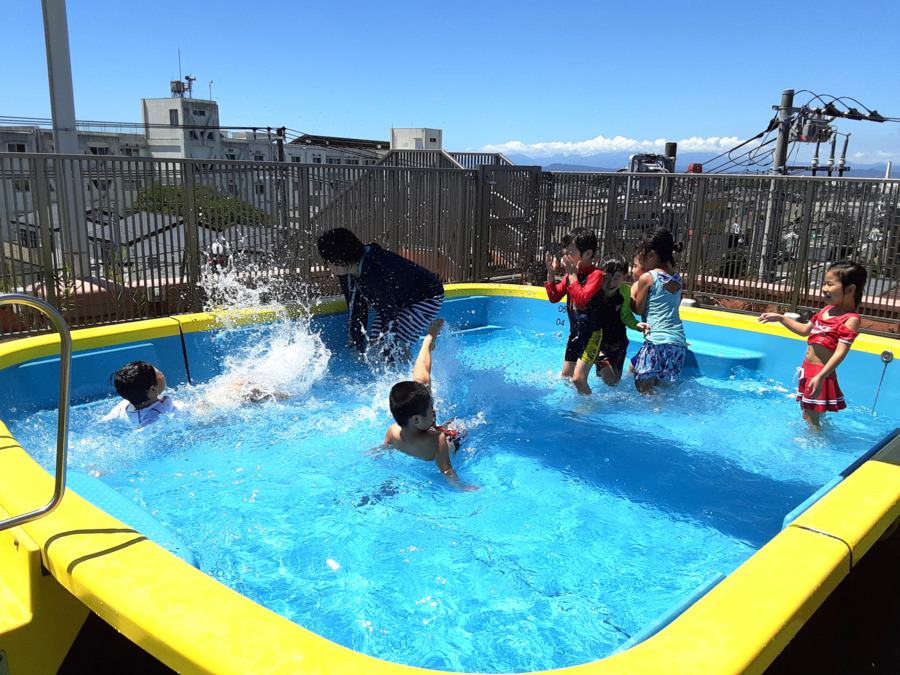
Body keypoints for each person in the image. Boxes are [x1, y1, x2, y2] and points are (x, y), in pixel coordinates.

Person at [758, 261, 867, 427]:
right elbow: (804, 330)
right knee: (807, 412)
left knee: (810, 418)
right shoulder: (826, 311)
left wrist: (821, 376)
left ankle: (814, 444)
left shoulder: (850, 319)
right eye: (824, 283)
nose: (824, 288)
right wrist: (781, 318)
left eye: (830, 284)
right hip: (807, 370)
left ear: (850, 289)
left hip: (820, 373)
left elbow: (840, 353)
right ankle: (819, 435)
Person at [316, 227, 444, 357]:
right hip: (400, 299)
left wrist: (391, 349)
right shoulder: (349, 271)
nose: (326, 265)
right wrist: (358, 346)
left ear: (340, 259)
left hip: (427, 297)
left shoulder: (375, 270)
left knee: (393, 349)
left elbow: (389, 313)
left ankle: (429, 341)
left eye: (328, 260)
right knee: (376, 343)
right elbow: (356, 308)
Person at [384, 320, 478, 490]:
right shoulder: (438, 440)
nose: (434, 412)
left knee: (421, 383)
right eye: (431, 411)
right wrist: (461, 487)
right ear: (416, 419)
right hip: (453, 439)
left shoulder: (392, 431)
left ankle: (428, 341)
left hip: (420, 429)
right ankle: (428, 341)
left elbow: (384, 448)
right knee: (470, 424)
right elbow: (447, 470)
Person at [544, 228, 605, 394]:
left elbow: (581, 299)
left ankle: (588, 408)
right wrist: (551, 273)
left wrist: (572, 275)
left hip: (592, 334)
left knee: (578, 379)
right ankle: (570, 402)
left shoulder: (596, 275)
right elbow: (554, 297)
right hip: (576, 333)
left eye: (569, 252)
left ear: (587, 254)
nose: (565, 256)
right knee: (566, 376)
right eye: (565, 252)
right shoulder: (571, 275)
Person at [630, 227, 688, 394]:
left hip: (657, 342)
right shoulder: (677, 279)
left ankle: (656, 409)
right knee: (661, 386)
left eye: (642, 254)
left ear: (652, 255)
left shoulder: (648, 278)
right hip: (678, 343)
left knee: (642, 386)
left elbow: (639, 309)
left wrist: (629, 298)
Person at [593, 252, 650, 386]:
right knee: (609, 378)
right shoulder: (596, 292)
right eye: (606, 278)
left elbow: (625, 315)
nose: (611, 283)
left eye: (616, 278)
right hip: (599, 343)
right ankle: (600, 361)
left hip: (619, 342)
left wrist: (636, 325)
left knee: (614, 383)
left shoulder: (624, 291)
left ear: (624, 277)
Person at [103, 361, 184, 428]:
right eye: (156, 372)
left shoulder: (124, 405)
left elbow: (104, 422)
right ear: (152, 390)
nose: (160, 372)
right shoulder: (156, 417)